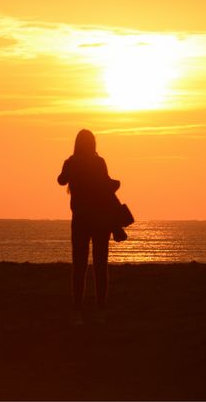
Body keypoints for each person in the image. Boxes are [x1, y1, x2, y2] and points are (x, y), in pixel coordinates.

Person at [57, 129, 120, 324]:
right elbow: (107, 188)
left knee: (80, 264)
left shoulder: (72, 162)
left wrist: (70, 165)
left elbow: (61, 180)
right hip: (100, 218)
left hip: (81, 219)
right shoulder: (98, 162)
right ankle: (100, 305)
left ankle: (77, 307)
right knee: (100, 264)